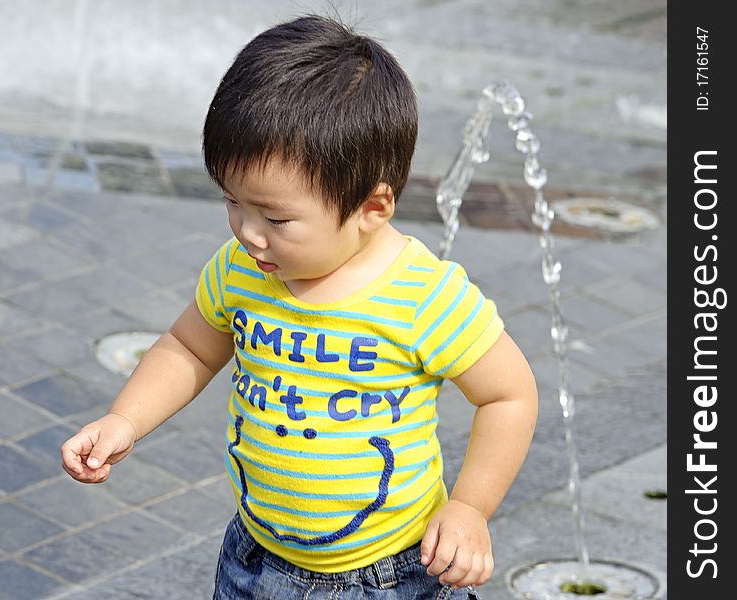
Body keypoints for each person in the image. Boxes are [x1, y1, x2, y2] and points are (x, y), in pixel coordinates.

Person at [61, 14, 538, 600]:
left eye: (276, 218)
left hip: (387, 578)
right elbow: (188, 345)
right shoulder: (242, 270)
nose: (247, 233)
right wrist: (124, 419)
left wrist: (469, 507)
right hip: (253, 556)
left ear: (372, 206)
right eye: (233, 203)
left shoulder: (422, 295)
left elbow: (509, 394)